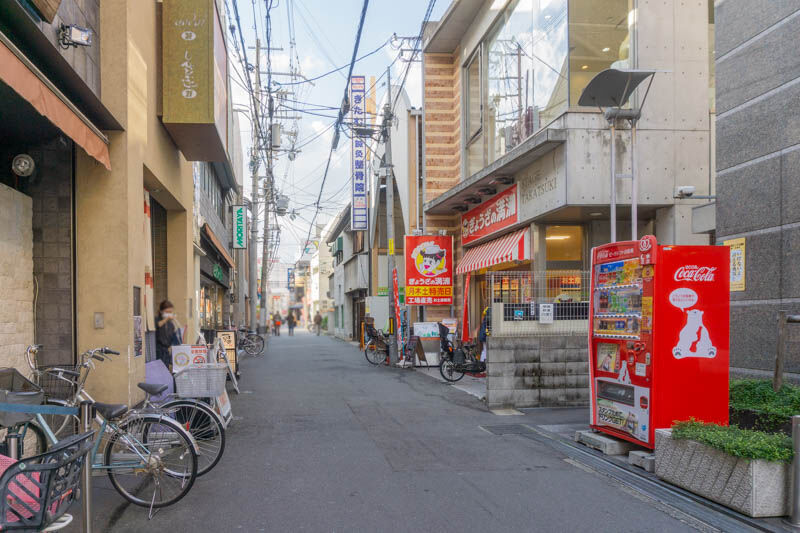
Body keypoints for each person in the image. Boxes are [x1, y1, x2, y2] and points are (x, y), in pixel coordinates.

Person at [156, 300, 181, 368]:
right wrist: (166, 319)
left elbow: (173, 337)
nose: (169, 314)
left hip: (166, 352)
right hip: (157, 351)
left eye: (170, 312)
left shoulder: (170, 324)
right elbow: (158, 325)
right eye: (167, 312)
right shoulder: (157, 320)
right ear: (161, 311)